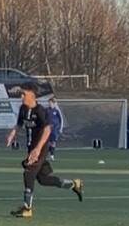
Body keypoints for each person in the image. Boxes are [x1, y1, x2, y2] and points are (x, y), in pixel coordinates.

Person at [6, 82, 83, 218]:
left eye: (24, 94)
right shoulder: (23, 109)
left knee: (28, 173)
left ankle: (27, 208)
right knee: (43, 179)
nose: (21, 96)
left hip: (41, 148)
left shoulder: (40, 111)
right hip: (32, 148)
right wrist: (12, 134)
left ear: (32, 95)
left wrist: (37, 149)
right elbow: (19, 124)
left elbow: (47, 130)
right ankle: (73, 184)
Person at [46, 96, 64, 160]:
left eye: (50, 103)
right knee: (48, 142)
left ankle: (52, 155)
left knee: (53, 142)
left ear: (53, 103)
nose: (49, 104)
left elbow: (61, 119)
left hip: (54, 129)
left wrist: (61, 128)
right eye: (49, 103)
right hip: (48, 129)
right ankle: (48, 154)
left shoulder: (56, 111)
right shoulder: (46, 110)